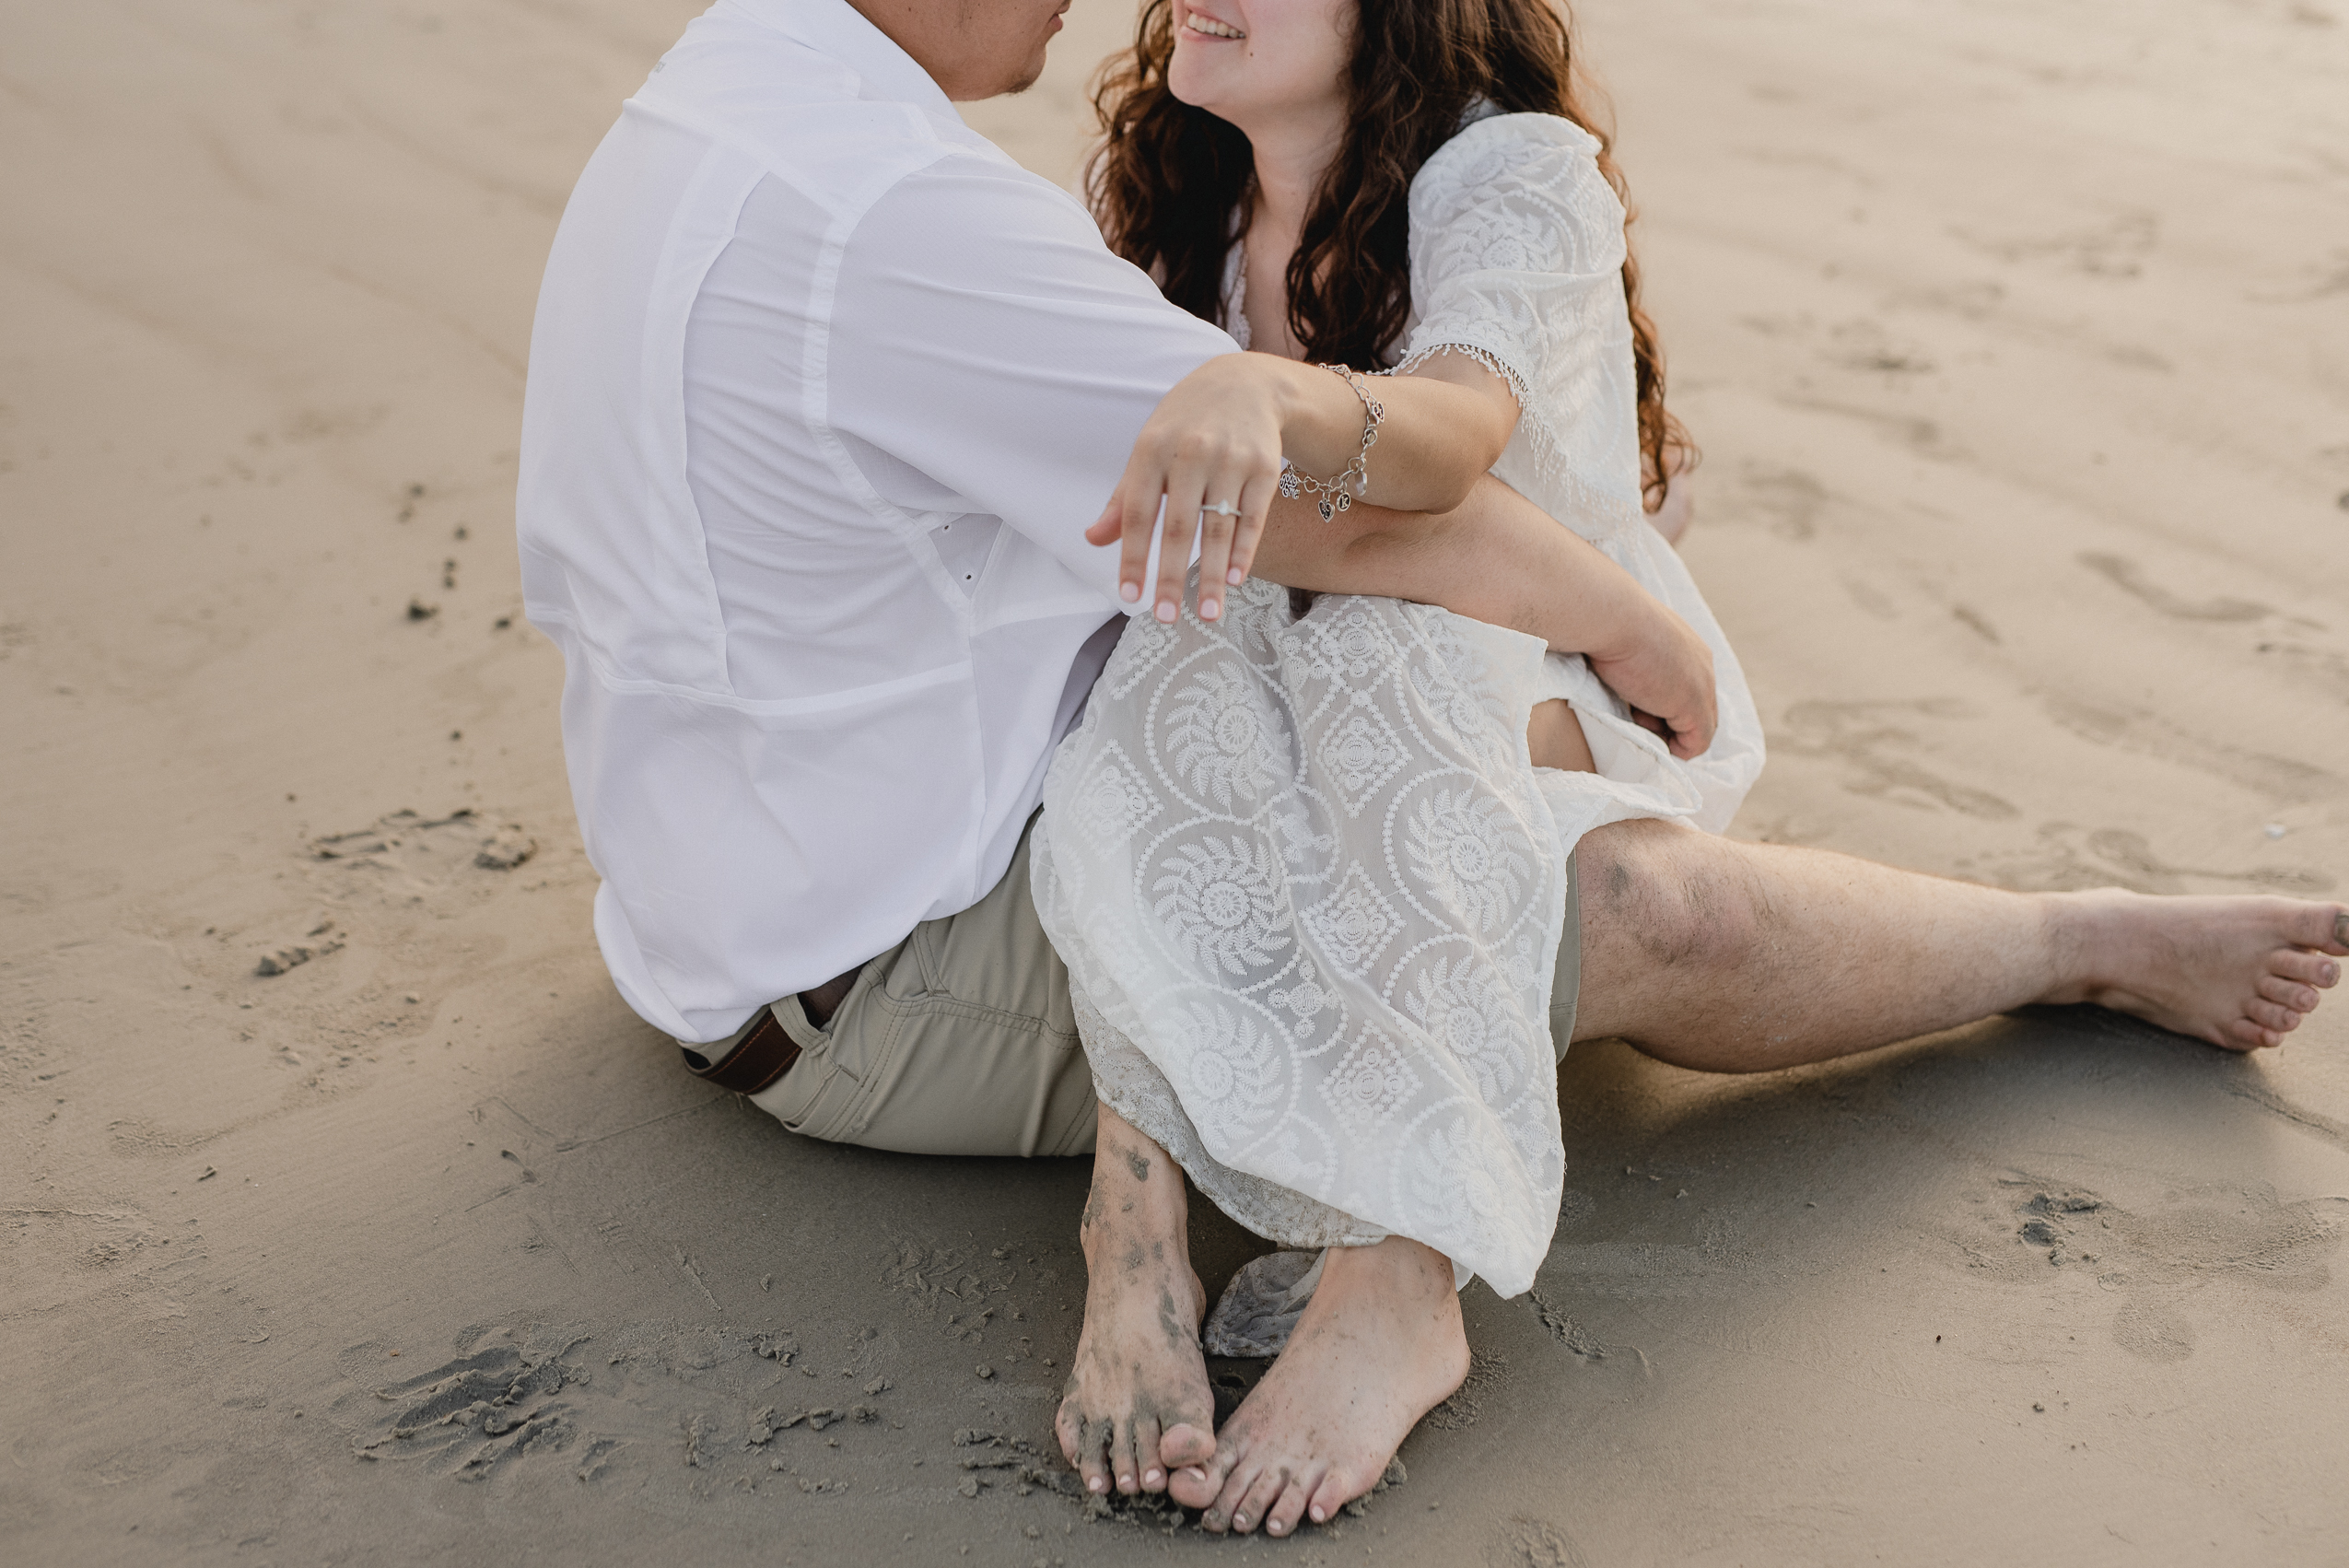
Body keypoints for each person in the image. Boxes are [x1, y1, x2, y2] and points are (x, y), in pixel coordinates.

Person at [513, 0, 2347, 1539]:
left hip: (1393, 731)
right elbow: (1313, 546)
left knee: (1515, 805)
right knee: (1338, 731)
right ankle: (1207, 1231)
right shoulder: (965, 209)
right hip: (896, 957)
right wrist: (1604, 602)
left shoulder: (740, 119)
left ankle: (2035, 956)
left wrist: (1582, 591)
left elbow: (1436, 466)